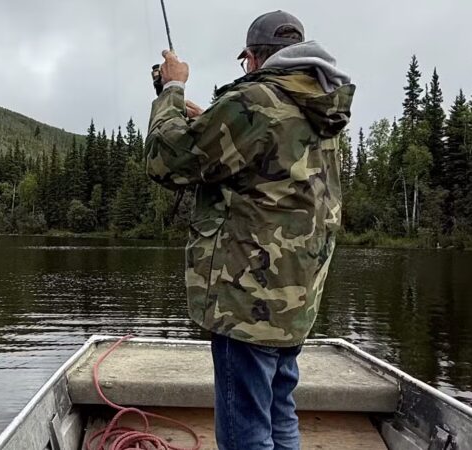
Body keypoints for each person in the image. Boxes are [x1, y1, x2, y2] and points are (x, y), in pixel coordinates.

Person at [144, 10, 355, 450]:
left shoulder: (255, 100)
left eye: (245, 62)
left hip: (247, 299)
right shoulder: (318, 105)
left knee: (245, 433)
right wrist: (214, 122)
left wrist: (171, 89)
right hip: (295, 299)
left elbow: (168, 160)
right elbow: (271, 162)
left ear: (254, 58)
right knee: (279, 412)